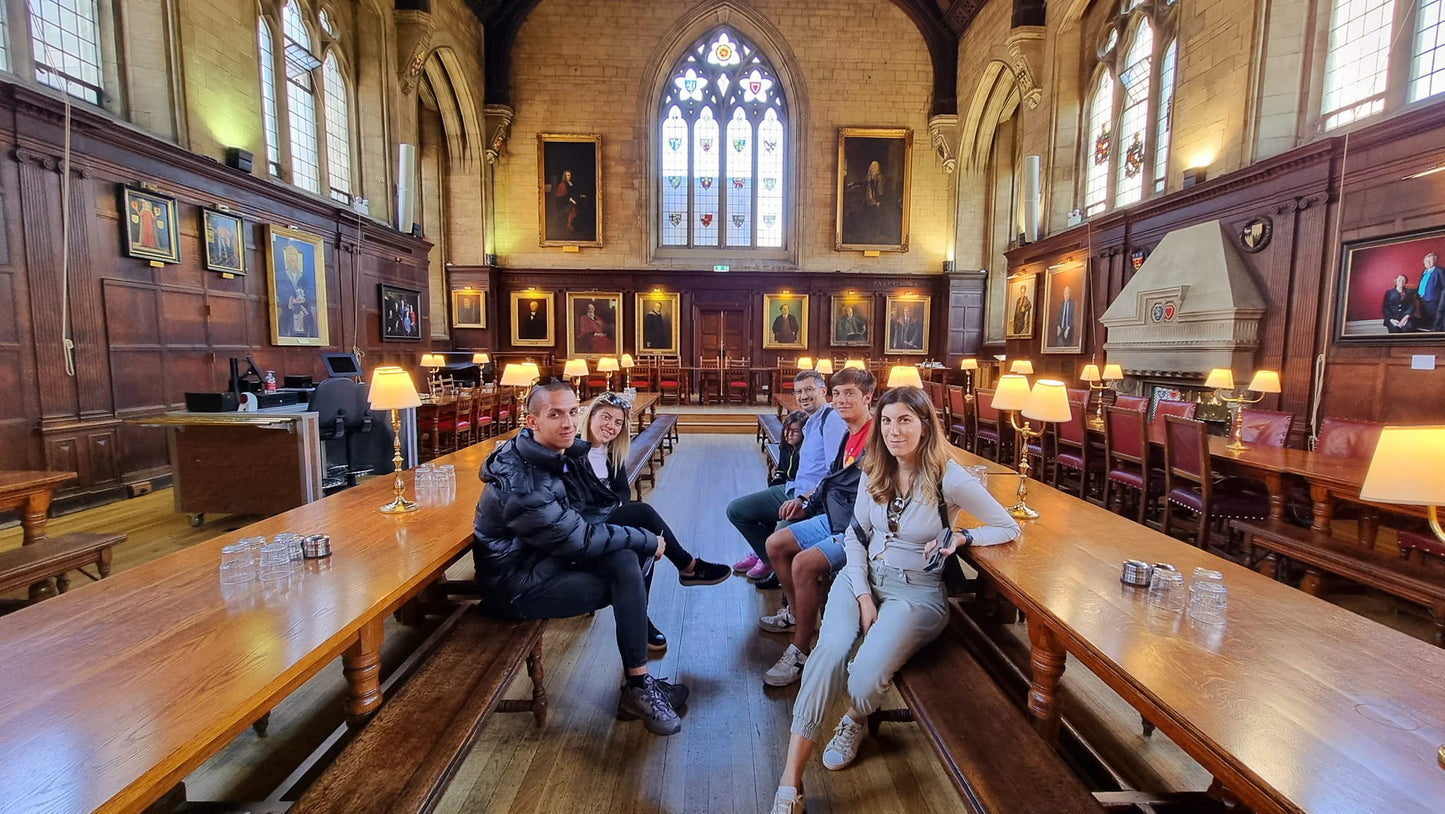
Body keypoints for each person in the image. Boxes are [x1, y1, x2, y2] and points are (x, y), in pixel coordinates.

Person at [770, 386, 1019, 814]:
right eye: (886, 421)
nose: (893, 430)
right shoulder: (875, 469)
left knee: (863, 680)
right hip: (861, 577)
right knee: (827, 655)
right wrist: (864, 596)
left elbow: (1007, 526)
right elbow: (855, 536)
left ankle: (854, 719)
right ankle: (789, 786)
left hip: (915, 592)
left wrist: (963, 535)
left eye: (904, 420)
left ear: (925, 425)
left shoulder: (949, 477)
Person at [472, 381, 687, 735]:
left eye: (573, 412)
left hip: (543, 559)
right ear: (532, 421)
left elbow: (593, 509)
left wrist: (634, 531)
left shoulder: (554, 454)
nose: (569, 423)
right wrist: (646, 540)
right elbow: (578, 539)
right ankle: (639, 685)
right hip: (517, 587)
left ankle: (639, 683)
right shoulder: (525, 484)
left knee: (625, 557)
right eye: (555, 414)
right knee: (628, 558)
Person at [572, 392, 731, 650]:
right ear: (589, 416)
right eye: (605, 418)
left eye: (618, 422)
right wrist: (614, 511)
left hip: (605, 521)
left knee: (647, 543)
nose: (610, 426)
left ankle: (640, 620)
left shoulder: (610, 454)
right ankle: (688, 566)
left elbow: (622, 491)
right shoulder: (573, 453)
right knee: (643, 514)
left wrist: (617, 510)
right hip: (584, 528)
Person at [759, 367, 876, 688]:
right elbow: (831, 478)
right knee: (776, 544)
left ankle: (800, 648)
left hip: (858, 528)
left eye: (849, 393)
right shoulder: (850, 433)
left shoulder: (877, 437)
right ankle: (801, 618)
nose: (840, 400)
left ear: (868, 397)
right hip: (833, 516)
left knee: (803, 562)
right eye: (837, 393)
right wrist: (806, 503)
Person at [728, 370, 844, 584]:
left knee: (779, 536)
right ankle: (769, 560)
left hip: (809, 499)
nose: (803, 396)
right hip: (793, 488)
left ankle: (777, 571)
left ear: (823, 391)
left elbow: (834, 473)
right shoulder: (810, 421)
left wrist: (804, 500)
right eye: (798, 392)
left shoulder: (831, 420)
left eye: (809, 390)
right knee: (737, 510)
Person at [768, 410, 808, 488]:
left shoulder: (806, 452)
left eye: (795, 431)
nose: (790, 434)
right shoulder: (785, 447)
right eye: (787, 429)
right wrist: (776, 481)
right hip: (787, 484)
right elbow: (781, 469)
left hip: (799, 488)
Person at [1419, 252, 1442, 330]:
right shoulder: (1423, 272)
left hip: (1433, 300)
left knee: (1436, 318)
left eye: (1430, 261)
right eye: (1426, 261)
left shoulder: (1440, 271)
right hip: (1422, 299)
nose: (1427, 263)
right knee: (1427, 319)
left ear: (1435, 261)